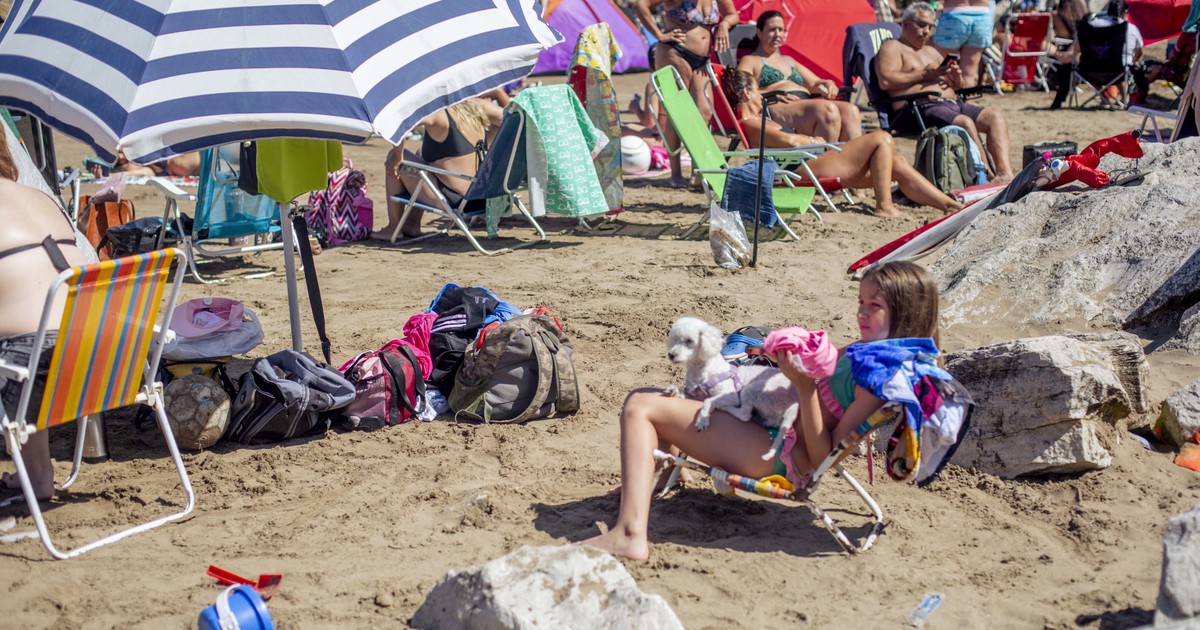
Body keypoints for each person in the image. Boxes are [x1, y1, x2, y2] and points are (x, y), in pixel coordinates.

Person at [579, 261, 944, 561]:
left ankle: (629, 535)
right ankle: (658, 476)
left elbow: (822, 457)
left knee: (640, 406)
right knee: (672, 394)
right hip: (769, 427)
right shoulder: (871, 353)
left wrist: (804, 387)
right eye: (860, 301)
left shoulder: (877, 378)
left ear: (905, 313)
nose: (861, 312)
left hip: (777, 454)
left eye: (874, 305)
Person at [723, 69, 963, 217]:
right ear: (746, 94)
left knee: (896, 162)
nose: (761, 95)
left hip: (808, 162)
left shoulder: (761, 118)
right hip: (800, 169)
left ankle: (949, 206)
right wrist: (812, 139)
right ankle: (884, 206)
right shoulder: (750, 123)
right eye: (757, 90)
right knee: (882, 138)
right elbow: (788, 140)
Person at [0, 139, 87, 503]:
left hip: (30, 371)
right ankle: (38, 476)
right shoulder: (41, 199)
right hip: (96, 361)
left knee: (21, 348)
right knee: (27, 337)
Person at [877, 2, 1015, 182]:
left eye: (930, 26)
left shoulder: (931, 51)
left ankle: (1005, 174)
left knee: (994, 117)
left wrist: (956, 79)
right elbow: (885, 81)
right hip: (917, 109)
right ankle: (986, 176)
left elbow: (957, 87)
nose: (926, 31)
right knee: (964, 122)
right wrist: (923, 74)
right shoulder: (892, 47)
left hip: (951, 104)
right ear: (905, 24)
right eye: (921, 25)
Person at [635, 0, 739, 187]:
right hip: (674, 52)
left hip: (703, 59)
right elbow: (640, 5)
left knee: (704, 112)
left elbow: (733, 14)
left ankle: (697, 172)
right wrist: (659, 34)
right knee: (678, 112)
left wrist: (724, 24)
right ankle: (675, 174)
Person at [371, 98, 500, 240]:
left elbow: (401, 122)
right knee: (421, 154)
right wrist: (488, 146)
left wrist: (397, 155)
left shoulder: (438, 114)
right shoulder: (477, 106)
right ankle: (411, 223)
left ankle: (393, 228)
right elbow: (511, 119)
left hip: (452, 200)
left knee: (396, 158)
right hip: (480, 197)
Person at [736, 10, 863, 142]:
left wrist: (827, 83)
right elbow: (741, 89)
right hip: (775, 104)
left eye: (781, 30)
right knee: (827, 110)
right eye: (772, 30)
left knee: (851, 111)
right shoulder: (750, 60)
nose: (778, 34)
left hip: (803, 103)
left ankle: (852, 154)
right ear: (759, 32)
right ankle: (827, 155)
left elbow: (814, 83)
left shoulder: (789, 60)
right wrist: (771, 94)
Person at [1049, 0, 1144, 109]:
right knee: (1123, 65)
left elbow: (1077, 50)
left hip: (1088, 71)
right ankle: (1126, 100)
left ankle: (1103, 98)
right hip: (1118, 71)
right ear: (1125, 12)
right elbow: (1139, 53)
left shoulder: (1091, 25)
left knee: (1080, 65)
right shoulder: (1129, 28)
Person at [930, 0, 996, 89]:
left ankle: (945, 97)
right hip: (982, 16)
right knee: (969, 74)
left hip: (954, 14)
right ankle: (965, 97)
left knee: (943, 69)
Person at [89, 150, 201, 178]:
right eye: (118, 159)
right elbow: (142, 173)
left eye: (120, 153)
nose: (121, 157)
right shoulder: (136, 166)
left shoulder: (139, 148)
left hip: (199, 157)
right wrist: (109, 176)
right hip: (198, 164)